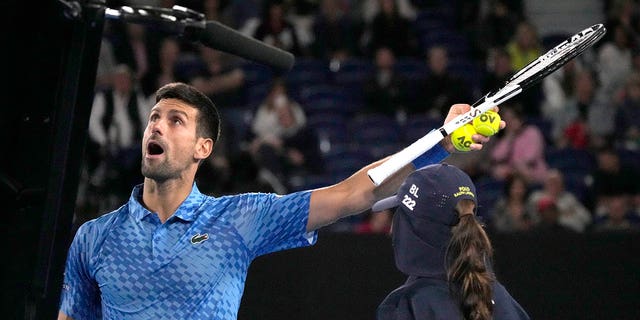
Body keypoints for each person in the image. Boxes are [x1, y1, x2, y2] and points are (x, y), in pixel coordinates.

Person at [57, 82, 502, 320]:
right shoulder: (94, 238)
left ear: (202, 148)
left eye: (175, 120)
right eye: (154, 118)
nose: (156, 127)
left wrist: (441, 141)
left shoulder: (238, 219)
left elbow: (353, 194)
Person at [373, 163, 530, 320]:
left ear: (414, 230)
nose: (392, 228)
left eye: (402, 213)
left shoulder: (407, 306)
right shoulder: (502, 299)